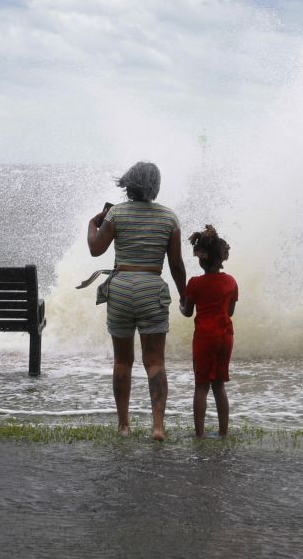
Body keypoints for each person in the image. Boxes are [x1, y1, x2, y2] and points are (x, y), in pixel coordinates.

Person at [86, 161, 186, 441]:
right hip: (152, 289)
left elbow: (96, 249)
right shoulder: (169, 218)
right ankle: (157, 427)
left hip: (121, 289)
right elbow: (176, 265)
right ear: (155, 186)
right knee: (155, 362)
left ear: (128, 184)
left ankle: (123, 425)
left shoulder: (115, 214)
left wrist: (93, 223)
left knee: (122, 361)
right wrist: (185, 297)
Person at [179, 225, 237, 438]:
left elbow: (187, 311)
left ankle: (200, 434)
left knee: (201, 386)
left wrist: (180, 304)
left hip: (204, 338)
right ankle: (223, 432)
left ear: (201, 259)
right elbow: (230, 311)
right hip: (225, 337)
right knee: (219, 386)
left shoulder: (195, 284)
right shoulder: (231, 282)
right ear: (221, 258)